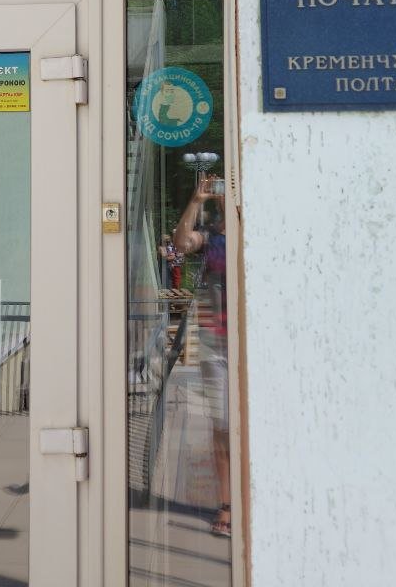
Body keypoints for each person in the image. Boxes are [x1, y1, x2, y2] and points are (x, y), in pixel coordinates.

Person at [172, 172, 231, 537]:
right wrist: (196, 201)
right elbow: (180, 243)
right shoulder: (210, 237)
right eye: (222, 188)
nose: (224, 194)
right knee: (222, 426)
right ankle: (227, 503)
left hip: (251, 343)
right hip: (215, 343)